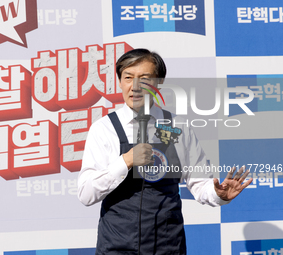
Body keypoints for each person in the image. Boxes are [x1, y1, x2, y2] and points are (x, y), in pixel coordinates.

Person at [77, 48, 252, 255]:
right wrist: (125, 162)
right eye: (128, 77)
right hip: (117, 246)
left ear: (159, 83)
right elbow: (86, 193)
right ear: (120, 82)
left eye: (144, 79)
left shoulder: (178, 126)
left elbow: (199, 183)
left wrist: (218, 194)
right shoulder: (104, 129)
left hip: (168, 245)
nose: (135, 86)